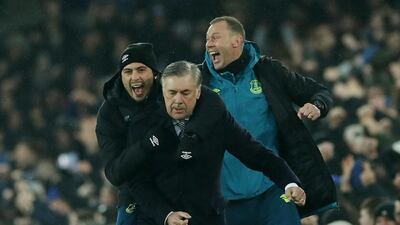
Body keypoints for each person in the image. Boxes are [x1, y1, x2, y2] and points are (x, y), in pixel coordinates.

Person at [128, 60, 306, 225]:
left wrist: (289, 182)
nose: (178, 100)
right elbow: (137, 182)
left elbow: (256, 154)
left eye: (185, 93)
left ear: (198, 91)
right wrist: (166, 215)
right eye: (172, 93)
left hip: (206, 218)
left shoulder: (216, 121)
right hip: (156, 220)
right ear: (163, 91)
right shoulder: (143, 123)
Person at [201, 16, 337, 225]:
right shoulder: (198, 81)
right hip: (227, 200)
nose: (208, 44)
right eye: (207, 39)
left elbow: (318, 92)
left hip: (273, 188)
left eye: (215, 37)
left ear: (236, 41)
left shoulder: (267, 70)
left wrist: (317, 105)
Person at [95, 42, 164, 225]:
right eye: (128, 71)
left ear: (154, 73)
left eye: (141, 69)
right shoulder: (110, 111)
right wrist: (148, 144)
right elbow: (114, 172)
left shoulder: (170, 95)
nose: (135, 77)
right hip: (134, 197)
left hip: (176, 190)